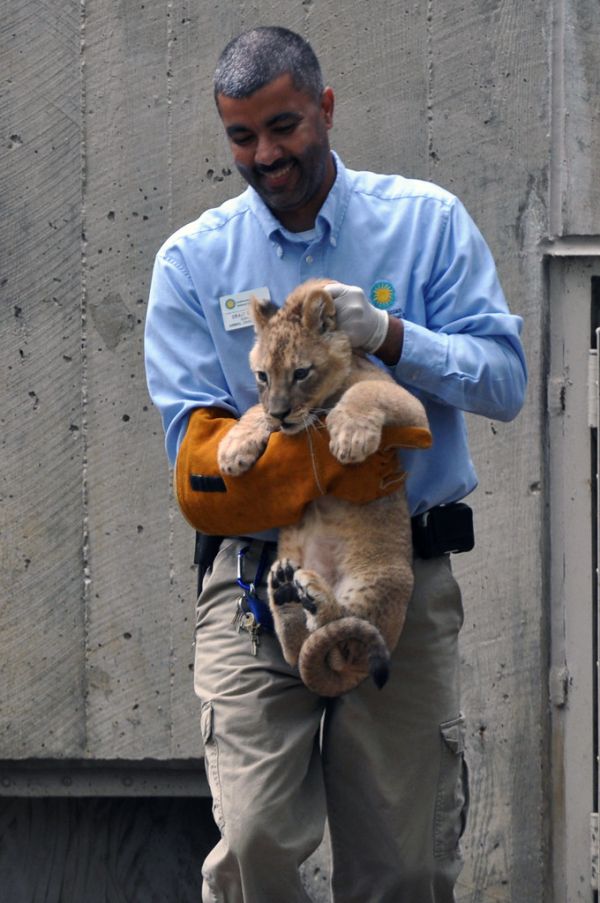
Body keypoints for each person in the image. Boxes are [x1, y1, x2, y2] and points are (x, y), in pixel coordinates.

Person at [144, 25, 527, 903]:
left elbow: (505, 381)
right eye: (242, 136)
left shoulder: (425, 223)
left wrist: (389, 336)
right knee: (253, 842)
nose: (265, 155)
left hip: (399, 565)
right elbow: (194, 453)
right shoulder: (195, 261)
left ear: (325, 107)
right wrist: (271, 442)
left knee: (404, 862)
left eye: (284, 127)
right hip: (258, 577)